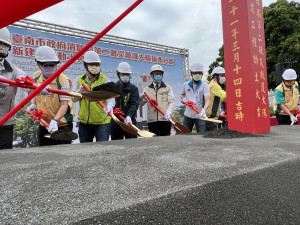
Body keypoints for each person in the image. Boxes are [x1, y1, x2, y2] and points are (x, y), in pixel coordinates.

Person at [26, 46, 74, 146]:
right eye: (45, 65)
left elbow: (64, 105)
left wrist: (55, 121)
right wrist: (33, 105)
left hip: (62, 125)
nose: (49, 68)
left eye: (52, 65)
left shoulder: (63, 80)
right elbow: (35, 94)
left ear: (56, 64)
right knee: (44, 154)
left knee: (62, 156)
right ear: (38, 64)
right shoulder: (36, 76)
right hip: (43, 124)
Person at [0, 27, 35, 149]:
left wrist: (38, 88)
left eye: (5, 44)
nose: (2, 47)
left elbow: (29, 84)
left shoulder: (13, 70)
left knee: (4, 159)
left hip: (5, 124)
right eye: (0, 44)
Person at [72, 51, 115, 142]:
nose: (95, 67)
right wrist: (80, 93)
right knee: (86, 150)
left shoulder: (105, 80)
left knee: (102, 150)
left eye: (97, 64)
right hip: (84, 123)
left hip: (102, 123)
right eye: (92, 64)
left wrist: (110, 106)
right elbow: (74, 99)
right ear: (85, 66)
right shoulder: (79, 80)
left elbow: (111, 98)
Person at [140, 64, 175, 136]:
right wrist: (140, 99)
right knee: (154, 143)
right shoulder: (147, 89)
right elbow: (141, 104)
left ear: (162, 75)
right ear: (152, 75)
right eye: (156, 74)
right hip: (152, 121)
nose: (158, 75)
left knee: (165, 142)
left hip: (165, 120)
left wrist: (168, 113)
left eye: (160, 74)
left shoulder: (168, 88)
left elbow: (172, 102)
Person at [110, 62, 139, 140]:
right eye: (123, 74)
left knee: (131, 147)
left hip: (130, 123)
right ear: (118, 74)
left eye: (127, 74)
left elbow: (134, 104)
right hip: (116, 123)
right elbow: (110, 102)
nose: (125, 76)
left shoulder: (133, 89)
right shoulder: (113, 88)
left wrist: (129, 116)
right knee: (116, 147)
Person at [181, 63, 210, 132]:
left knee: (201, 135)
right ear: (191, 73)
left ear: (202, 74)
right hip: (188, 115)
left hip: (199, 115)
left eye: (199, 73)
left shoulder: (205, 86)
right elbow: (182, 95)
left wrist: (204, 110)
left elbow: (207, 100)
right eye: (195, 73)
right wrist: (184, 99)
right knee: (185, 135)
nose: (197, 75)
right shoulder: (186, 84)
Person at [206, 66, 227, 131]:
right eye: (222, 75)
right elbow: (225, 96)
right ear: (215, 77)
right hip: (211, 116)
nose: (224, 77)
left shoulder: (212, 84)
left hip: (209, 116)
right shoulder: (214, 86)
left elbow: (222, 98)